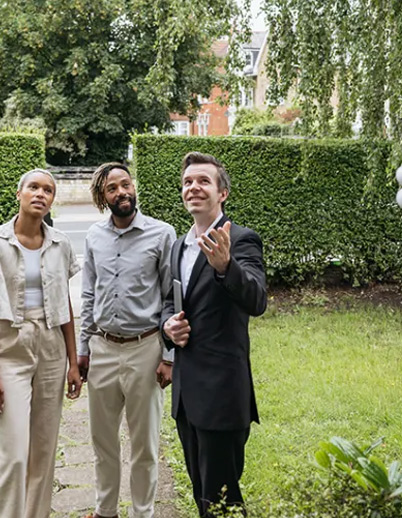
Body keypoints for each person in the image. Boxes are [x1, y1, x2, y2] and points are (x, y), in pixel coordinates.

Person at [0, 168, 83, 518]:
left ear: (52, 201)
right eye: (33, 187)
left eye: (48, 190)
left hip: (51, 349)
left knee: (43, 451)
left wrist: (73, 363)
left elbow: (63, 305)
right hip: (11, 349)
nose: (40, 194)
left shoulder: (61, 244)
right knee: (14, 452)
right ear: (19, 194)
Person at [160, 152, 267, 517]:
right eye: (188, 182)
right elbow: (169, 303)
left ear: (222, 193)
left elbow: (257, 300)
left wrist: (226, 267)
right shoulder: (178, 245)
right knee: (200, 491)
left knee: (223, 497)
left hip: (222, 394)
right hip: (186, 395)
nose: (194, 188)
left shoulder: (241, 240)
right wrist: (167, 327)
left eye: (203, 181)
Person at [78, 162, 177, 518]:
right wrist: (82, 348)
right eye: (112, 189)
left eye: (125, 184)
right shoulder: (93, 236)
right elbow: (88, 294)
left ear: (134, 187)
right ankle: (105, 512)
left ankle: (142, 513)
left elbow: (171, 298)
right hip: (102, 349)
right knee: (102, 442)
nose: (121, 192)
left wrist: (169, 356)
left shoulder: (162, 234)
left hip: (145, 349)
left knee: (145, 445)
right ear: (102, 198)